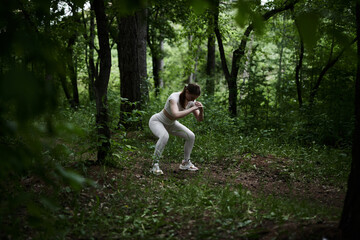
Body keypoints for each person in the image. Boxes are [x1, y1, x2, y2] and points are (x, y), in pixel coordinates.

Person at [148, 83, 204, 175]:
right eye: (192, 97)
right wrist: (192, 108)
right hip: (157, 121)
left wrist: (201, 110)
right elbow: (175, 114)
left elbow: (199, 119)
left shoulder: (191, 101)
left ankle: (186, 163)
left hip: (171, 124)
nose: (193, 100)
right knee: (164, 136)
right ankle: (155, 165)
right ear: (187, 91)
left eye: (195, 98)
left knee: (191, 136)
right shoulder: (174, 97)